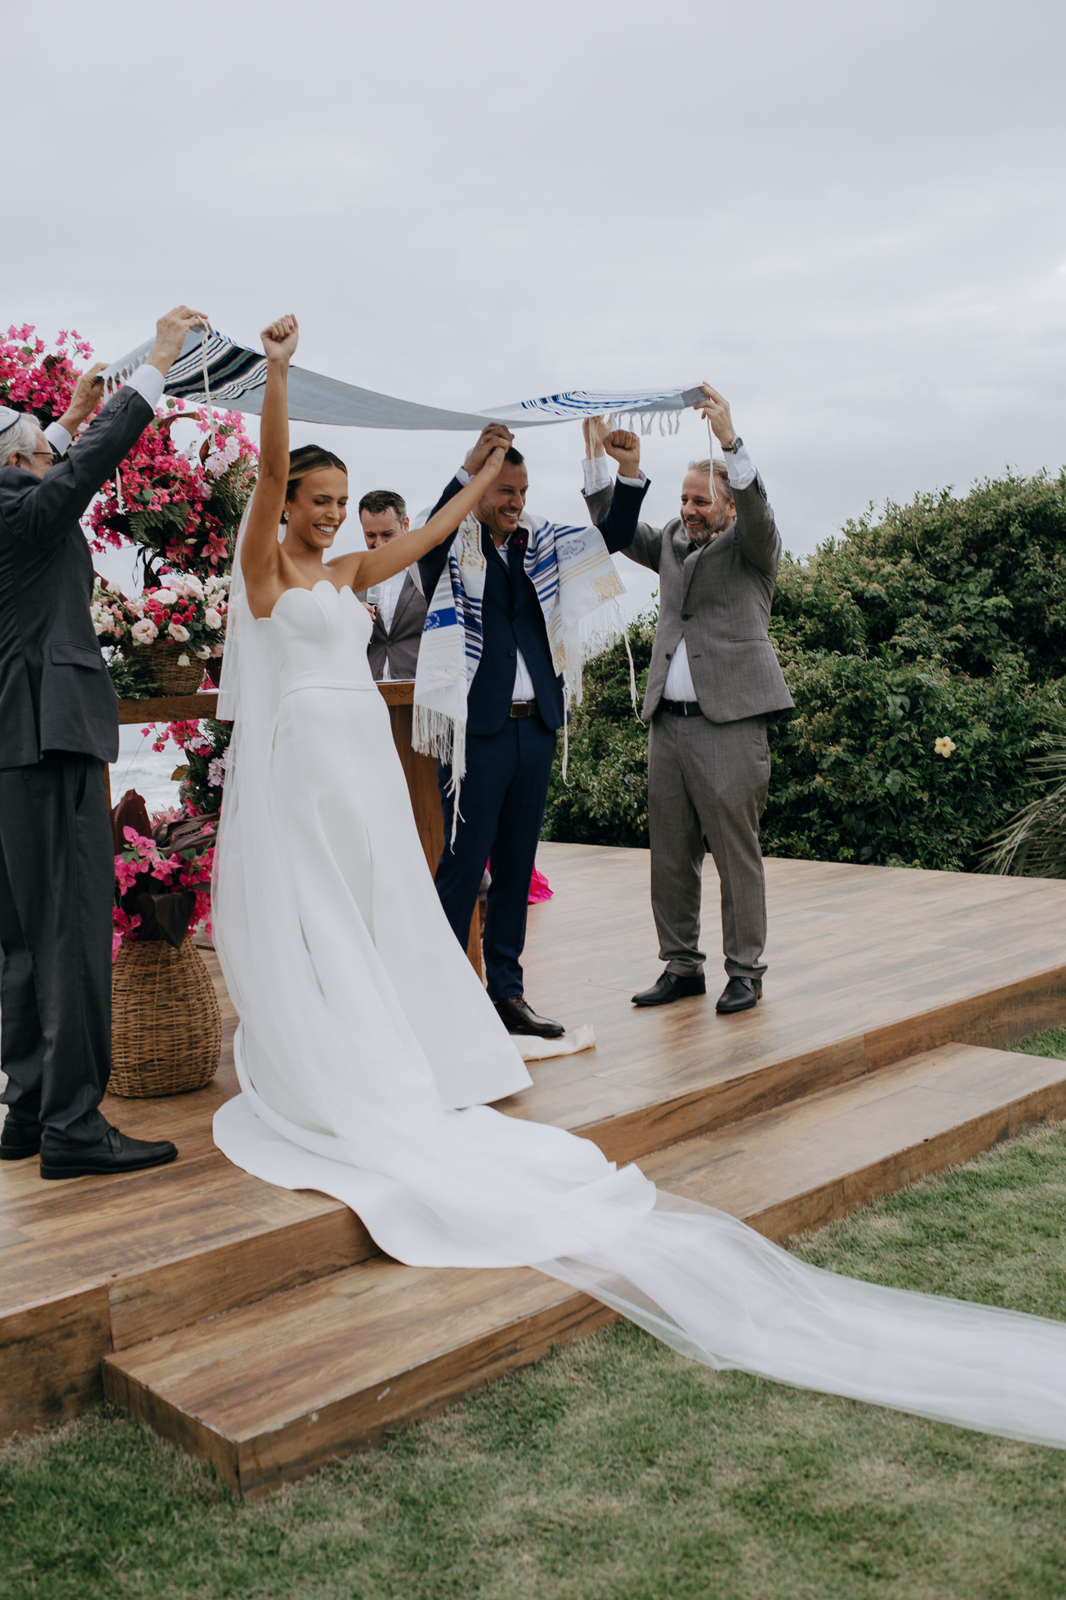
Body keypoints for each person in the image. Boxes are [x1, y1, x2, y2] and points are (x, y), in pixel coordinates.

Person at [211, 316, 1066, 1453]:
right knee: (351, 910)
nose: (325, 514)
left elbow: (428, 537)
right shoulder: (270, 566)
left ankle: (558, 1005)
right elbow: (281, 477)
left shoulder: (380, 564)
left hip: (378, 767)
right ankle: (373, 1041)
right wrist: (275, 378)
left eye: (335, 502)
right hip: (308, 763)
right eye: (314, 501)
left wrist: (476, 477)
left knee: (401, 910)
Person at [0, 304, 209, 1179]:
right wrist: (156, 366)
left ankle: (29, 1115)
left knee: (19, 937)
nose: (52, 455)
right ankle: (76, 1128)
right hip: (49, 738)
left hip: (15, 742)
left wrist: (63, 419)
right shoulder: (17, 505)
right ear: (19, 466)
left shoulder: (13, 492)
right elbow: (67, 481)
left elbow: (45, 462)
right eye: (39, 449)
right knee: (75, 932)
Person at [417, 424, 650, 1039]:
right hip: (477, 731)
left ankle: (508, 995)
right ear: (482, 489)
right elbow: (424, 549)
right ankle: (440, 995)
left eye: (522, 490)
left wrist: (626, 475)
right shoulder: (451, 537)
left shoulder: (541, 541)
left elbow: (612, 538)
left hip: (537, 725)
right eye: (503, 490)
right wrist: (468, 469)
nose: (515, 500)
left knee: (518, 868)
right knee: (464, 867)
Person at [583, 389, 794, 1016]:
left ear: (728, 509)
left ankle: (745, 971)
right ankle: (681, 967)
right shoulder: (672, 541)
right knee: (671, 855)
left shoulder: (755, 549)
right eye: (683, 499)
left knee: (736, 855)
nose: (688, 510)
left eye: (701, 501)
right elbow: (615, 532)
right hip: (666, 728)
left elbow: (761, 513)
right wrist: (605, 466)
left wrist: (731, 440)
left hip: (729, 725)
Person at [356, 489, 427, 681]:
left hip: (419, 688)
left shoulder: (427, 573)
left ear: (405, 525)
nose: (379, 543)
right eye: (370, 535)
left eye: (387, 534)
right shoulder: (354, 578)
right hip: (369, 689)